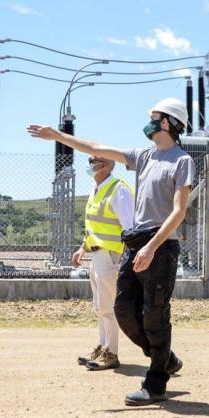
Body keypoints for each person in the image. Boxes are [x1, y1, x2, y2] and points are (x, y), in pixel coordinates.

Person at [28, 97, 193, 406]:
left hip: (161, 245)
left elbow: (179, 211)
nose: (150, 121)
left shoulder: (181, 161)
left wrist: (152, 246)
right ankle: (164, 357)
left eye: (154, 117)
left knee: (155, 315)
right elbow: (97, 147)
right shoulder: (143, 156)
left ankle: (155, 383)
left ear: (167, 122)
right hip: (136, 244)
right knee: (123, 310)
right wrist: (60, 137)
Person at [73, 155, 135, 371]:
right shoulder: (96, 188)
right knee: (100, 306)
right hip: (98, 254)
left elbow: (130, 227)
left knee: (108, 306)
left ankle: (111, 353)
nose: (90, 164)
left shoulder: (119, 190)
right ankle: (102, 346)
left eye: (94, 160)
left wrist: (127, 260)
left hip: (112, 255)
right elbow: (94, 225)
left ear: (107, 165)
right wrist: (83, 247)